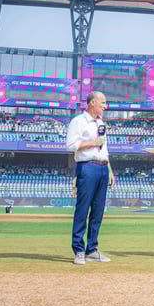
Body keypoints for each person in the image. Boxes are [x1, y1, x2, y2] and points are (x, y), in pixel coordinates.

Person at [66, 91, 114, 266]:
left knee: (98, 211)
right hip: (87, 167)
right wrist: (93, 143)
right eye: (103, 103)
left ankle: (92, 249)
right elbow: (71, 145)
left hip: (102, 167)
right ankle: (79, 250)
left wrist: (110, 170)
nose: (105, 106)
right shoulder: (78, 121)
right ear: (92, 103)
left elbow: (104, 148)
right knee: (83, 210)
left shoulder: (101, 123)